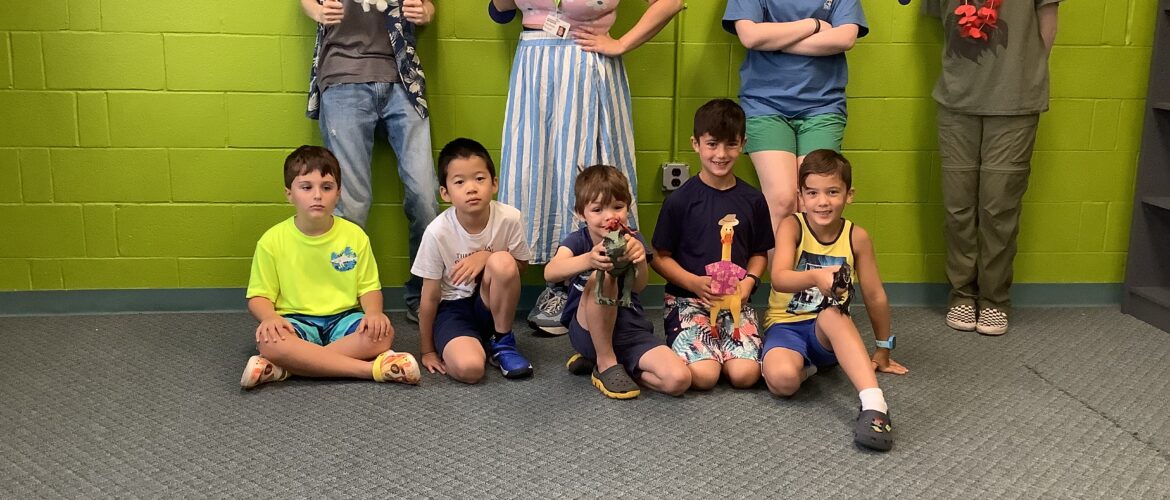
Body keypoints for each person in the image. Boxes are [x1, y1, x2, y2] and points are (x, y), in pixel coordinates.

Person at [488, 0, 684, 335]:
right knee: (536, 172)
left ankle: (585, 283)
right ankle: (558, 282)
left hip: (587, 64)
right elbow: (500, 11)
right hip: (534, 66)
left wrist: (621, 43)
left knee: (589, 172)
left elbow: (672, 2)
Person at [925, 0, 1062, 336]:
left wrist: (1022, 75)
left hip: (1015, 101)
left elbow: (1047, 26)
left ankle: (994, 300)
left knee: (998, 206)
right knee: (957, 206)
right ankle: (962, 294)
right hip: (957, 101)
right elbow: (944, 23)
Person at [300, 0, 440, 323]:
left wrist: (426, 13)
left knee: (425, 197)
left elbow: (428, 7)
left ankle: (423, 294)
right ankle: (344, 300)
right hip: (343, 76)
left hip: (403, 77)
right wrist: (317, 12)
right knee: (351, 205)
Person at [241, 145, 420, 389]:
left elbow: (369, 288)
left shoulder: (355, 236)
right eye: (306, 187)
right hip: (295, 322)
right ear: (289, 194)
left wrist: (374, 313)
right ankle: (370, 370)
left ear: (338, 194)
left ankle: (289, 366)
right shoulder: (271, 241)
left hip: (344, 319)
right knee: (269, 341)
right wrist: (270, 317)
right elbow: (258, 296)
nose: (317, 195)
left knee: (383, 334)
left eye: (326, 187)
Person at [763, 150, 908, 451]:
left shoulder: (857, 237)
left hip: (829, 330)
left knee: (831, 314)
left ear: (848, 195)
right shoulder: (792, 226)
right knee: (782, 381)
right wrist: (816, 277)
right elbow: (779, 278)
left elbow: (875, 295)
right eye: (812, 193)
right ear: (801, 197)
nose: (822, 202)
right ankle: (812, 369)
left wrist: (883, 348)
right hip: (785, 326)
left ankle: (875, 404)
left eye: (832, 192)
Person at [650, 99, 773, 391]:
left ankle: (726, 353)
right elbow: (659, 256)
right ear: (696, 144)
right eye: (712, 144)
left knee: (745, 375)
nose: (721, 154)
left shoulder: (753, 199)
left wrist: (749, 282)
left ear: (743, 144)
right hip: (687, 300)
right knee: (705, 376)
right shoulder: (680, 201)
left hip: (736, 300)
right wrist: (692, 282)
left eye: (731, 144)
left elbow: (759, 253)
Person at [544, 165, 691, 399]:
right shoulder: (577, 240)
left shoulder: (633, 239)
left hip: (630, 331)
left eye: (617, 207)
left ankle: (612, 366)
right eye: (597, 209)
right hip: (588, 331)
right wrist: (588, 259)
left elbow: (639, 287)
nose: (609, 216)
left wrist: (639, 261)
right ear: (581, 213)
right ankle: (605, 362)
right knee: (604, 276)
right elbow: (551, 273)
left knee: (678, 380)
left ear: (628, 208)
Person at [723, 0, 868, 235]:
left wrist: (775, 43)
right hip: (765, 105)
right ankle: (781, 262)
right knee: (783, 200)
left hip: (823, 106)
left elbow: (845, 38)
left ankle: (808, 261)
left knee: (813, 202)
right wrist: (814, 24)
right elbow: (750, 36)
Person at [412, 139, 535, 383]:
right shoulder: (437, 232)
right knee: (470, 370)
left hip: (491, 305)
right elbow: (430, 295)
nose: (471, 188)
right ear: (445, 193)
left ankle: (502, 342)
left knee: (503, 261)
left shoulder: (509, 218)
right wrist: (427, 350)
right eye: (459, 182)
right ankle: (476, 344)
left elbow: (520, 267)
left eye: (479, 179)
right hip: (453, 309)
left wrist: (487, 257)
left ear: (494, 183)